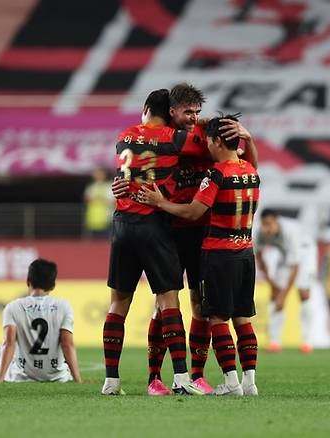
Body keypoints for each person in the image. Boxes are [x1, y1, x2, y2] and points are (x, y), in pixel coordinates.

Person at [113, 83, 257, 395]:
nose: (193, 117)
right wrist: (122, 185)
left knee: (199, 306)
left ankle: (196, 375)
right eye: (187, 112)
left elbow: (244, 164)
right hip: (167, 230)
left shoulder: (209, 142)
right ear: (172, 112)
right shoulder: (169, 141)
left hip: (201, 233)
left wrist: (246, 137)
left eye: (197, 113)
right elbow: (134, 166)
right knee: (162, 305)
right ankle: (154, 377)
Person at [102, 89, 203, 396]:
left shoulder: (124, 135)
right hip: (154, 223)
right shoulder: (174, 139)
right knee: (168, 300)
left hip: (121, 224)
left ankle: (111, 381)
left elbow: (125, 171)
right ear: (171, 113)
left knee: (118, 303)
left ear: (145, 108)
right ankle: (182, 378)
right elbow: (206, 144)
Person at [0, 258, 81, 383]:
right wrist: (78, 380)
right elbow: (67, 344)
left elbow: (8, 343)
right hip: (57, 377)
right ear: (53, 285)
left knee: (2, 350)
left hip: (21, 377)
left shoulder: (13, 307)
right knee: (62, 360)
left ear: (28, 281)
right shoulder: (64, 306)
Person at [255, 209, 317, 353]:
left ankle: (307, 342)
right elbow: (259, 258)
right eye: (264, 224)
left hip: (305, 252)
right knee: (274, 295)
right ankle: (275, 342)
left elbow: (295, 267)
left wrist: (283, 295)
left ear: (277, 222)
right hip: (285, 255)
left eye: (269, 224)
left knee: (304, 293)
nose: (266, 228)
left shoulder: (291, 232)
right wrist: (273, 285)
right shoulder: (259, 233)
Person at [83, 167, 114, 239]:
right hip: (93, 218)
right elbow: (86, 199)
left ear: (105, 174)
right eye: (96, 174)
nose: (97, 175)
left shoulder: (110, 186)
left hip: (107, 218)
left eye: (99, 174)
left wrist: (101, 199)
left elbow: (114, 201)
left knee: (106, 241)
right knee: (93, 242)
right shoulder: (91, 187)